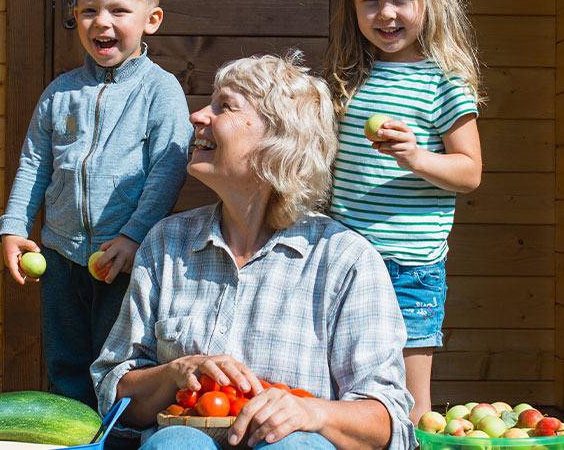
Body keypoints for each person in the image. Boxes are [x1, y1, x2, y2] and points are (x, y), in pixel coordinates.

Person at [91, 52, 417, 450]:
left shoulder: (345, 260)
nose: (197, 116)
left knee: (293, 445)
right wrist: (175, 373)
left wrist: (313, 413)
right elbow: (114, 395)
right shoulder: (166, 244)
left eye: (223, 106)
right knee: (176, 441)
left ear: (278, 140)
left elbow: (387, 421)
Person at [0, 0, 192, 412]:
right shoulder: (60, 92)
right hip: (61, 255)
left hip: (121, 259)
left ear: (152, 19)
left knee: (117, 361)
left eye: (118, 10)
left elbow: (168, 171)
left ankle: (115, 435)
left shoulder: (160, 91)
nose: (101, 22)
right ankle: (68, 435)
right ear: (75, 16)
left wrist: (133, 236)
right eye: (88, 10)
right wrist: (13, 227)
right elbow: (33, 165)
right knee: (65, 362)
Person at [325, 0, 483, 424]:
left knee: (411, 402)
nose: (386, 13)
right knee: (343, 389)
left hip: (408, 267)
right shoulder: (347, 78)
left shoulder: (444, 83)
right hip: (343, 259)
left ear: (429, 1)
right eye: (370, 0)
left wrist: (415, 157)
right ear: (352, 8)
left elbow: (470, 170)